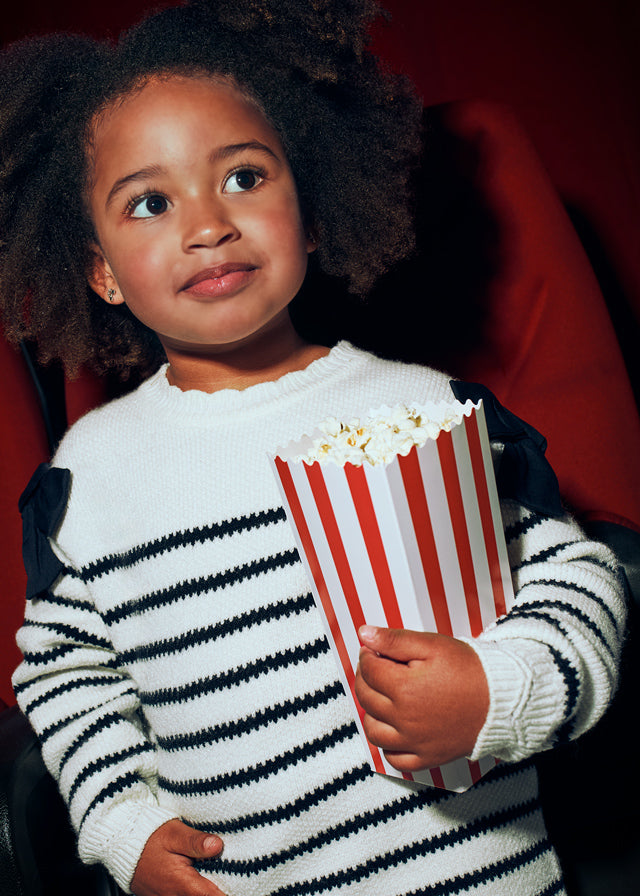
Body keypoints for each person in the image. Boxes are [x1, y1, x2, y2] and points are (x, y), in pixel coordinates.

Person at [0, 2, 626, 895]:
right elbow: (65, 680)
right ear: (100, 268)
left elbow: (580, 579)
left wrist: (500, 692)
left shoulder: (426, 410)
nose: (208, 224)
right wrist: (123, 828)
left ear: (312, 210)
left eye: (243, 177)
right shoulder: (88, 476)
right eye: (150, 202)